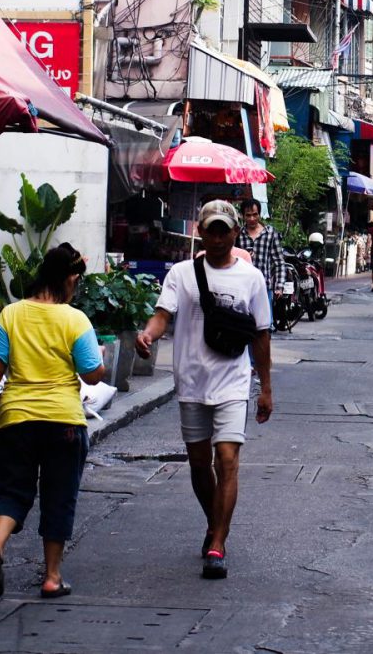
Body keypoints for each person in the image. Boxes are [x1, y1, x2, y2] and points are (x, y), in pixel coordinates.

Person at [0, 244, 104, 600]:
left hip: (16, 419)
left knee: (12, 490)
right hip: (63, 421)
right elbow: (93, 374)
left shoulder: (12, 315)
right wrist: (98, 364)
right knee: (59, 496)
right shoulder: (75, 319)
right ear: (69, 278)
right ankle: (52, 577)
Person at [136, 200, 273, 580]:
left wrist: (265, 388)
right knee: (199, 465)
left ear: (235, 232)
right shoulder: (181, 274)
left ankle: (218, 542)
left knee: (226, 459)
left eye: (223, 230)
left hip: (232, 381)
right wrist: (148, 334)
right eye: (210, 230)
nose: (216, 237)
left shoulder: (251, 278)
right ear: (200, 231)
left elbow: (262, 333)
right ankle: (214, 521)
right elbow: (163, 314)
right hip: (192, 381)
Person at [235, 198, 287, 306]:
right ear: (243, 216)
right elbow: (231, 260)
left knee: (265, 322)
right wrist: (243, 257)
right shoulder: (238, 235)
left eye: (255, 214)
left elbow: (279, 262)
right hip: (243, 288)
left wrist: (279, 287)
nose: (252, 218)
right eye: (248, 215)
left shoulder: (270, 233)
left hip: (264, 288)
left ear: (259, 214)